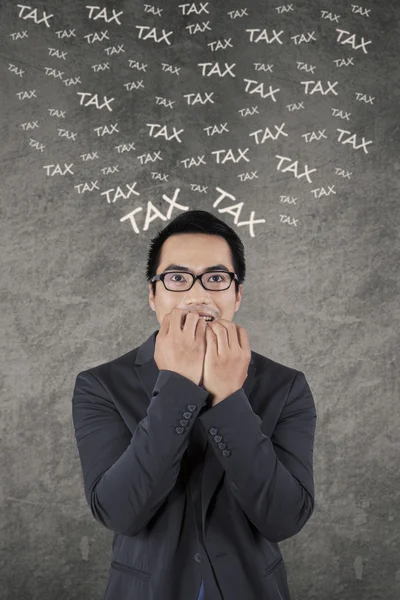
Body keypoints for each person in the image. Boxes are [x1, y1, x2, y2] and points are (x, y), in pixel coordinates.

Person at [72, 209, 317, 600]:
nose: (197, 294)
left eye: (217, 278)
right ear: (152, 294)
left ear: (237, 295)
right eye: (177, 278)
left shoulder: (286, 387)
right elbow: (119, 513)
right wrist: (178, 387)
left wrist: (229, 398)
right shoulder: (101, 386)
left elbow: (284, 518)